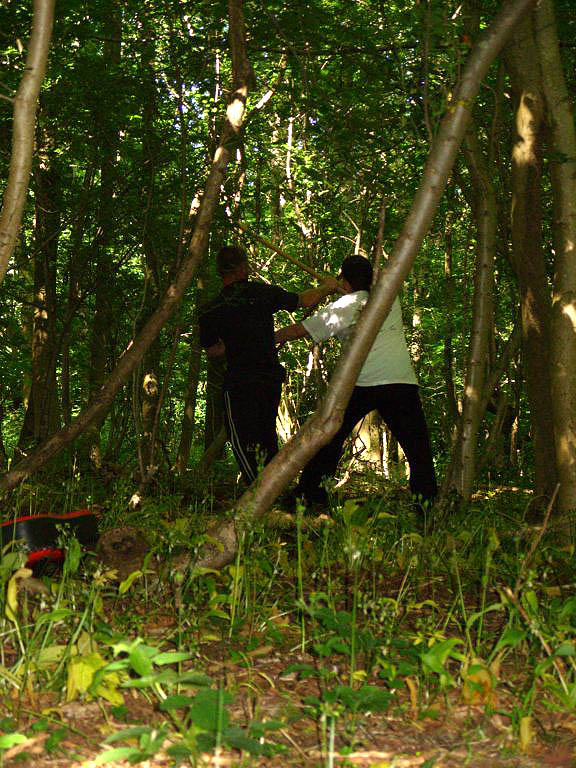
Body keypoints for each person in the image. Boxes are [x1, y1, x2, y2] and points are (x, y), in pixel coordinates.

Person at [275, 254, 438, 512]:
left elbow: (298, 330)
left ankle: (307, 497)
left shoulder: (346, 305)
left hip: (365, 384)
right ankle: (426, 507)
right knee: (417, 449)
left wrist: (266, 338)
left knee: (329, 439)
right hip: (396, 383)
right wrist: (339, 288)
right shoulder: (388, 298)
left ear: (346, 281)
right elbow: (366, 295)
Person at [198, 245, 341, 484]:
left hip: (241, 382)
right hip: (268, 379)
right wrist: (326, 287)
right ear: (243, 268)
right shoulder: (262, 293)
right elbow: (303, 300)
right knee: (265, 437)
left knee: (243, 439)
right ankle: (272, 490)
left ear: (220, 272)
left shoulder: (211, 309)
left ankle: (261, 492)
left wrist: (235, 343)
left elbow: (213, 350)